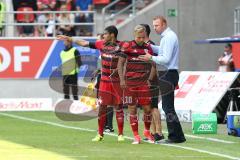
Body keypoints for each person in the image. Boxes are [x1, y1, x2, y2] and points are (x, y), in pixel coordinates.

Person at [57, 25, 125, 142]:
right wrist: (69, 38)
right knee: (102, 107)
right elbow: (84, 43)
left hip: (116, 82)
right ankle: (100, 134)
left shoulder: (122, 46)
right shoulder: (101, 44)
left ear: (112, 35)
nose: (103, 36)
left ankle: (120, 134)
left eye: (106, 34)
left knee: (118, 107)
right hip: (104, 82)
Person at [139, 16, 186, 143]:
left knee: (168, 107)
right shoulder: (167, 37)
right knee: (168, 106)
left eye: (157, 25)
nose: (154, 28)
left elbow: (166, 59)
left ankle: (175, 136)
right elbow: (162, 50)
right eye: (153, 26)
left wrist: (150, 57)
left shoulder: (169, 37)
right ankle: (178, 135)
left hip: (168, 73)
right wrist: (150, 48)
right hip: (167, 73)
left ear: (164, 24)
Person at [118, 25, 155, 144]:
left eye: (143, 37)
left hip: (143, 83)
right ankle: (136, 136)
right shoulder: (127, 46)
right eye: (139, 37)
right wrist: (122, 80)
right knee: (132, 109)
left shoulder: (148, 47)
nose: (141, 39)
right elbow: (120, 64)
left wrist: (149, 79)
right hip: (130, 83)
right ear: (134, 36)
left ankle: (147, 131)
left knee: (147, 109)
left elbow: (153, 64)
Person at [140, 24, 164, 142]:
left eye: (139, 30)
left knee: (154, 106)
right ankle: (153, 133)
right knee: (148, 107)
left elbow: (154, 64)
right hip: (144, 81)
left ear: (144, 32)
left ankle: (159, 132)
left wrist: (149, 79)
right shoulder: (142, 45)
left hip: (152, 81)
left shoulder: (151, 45)